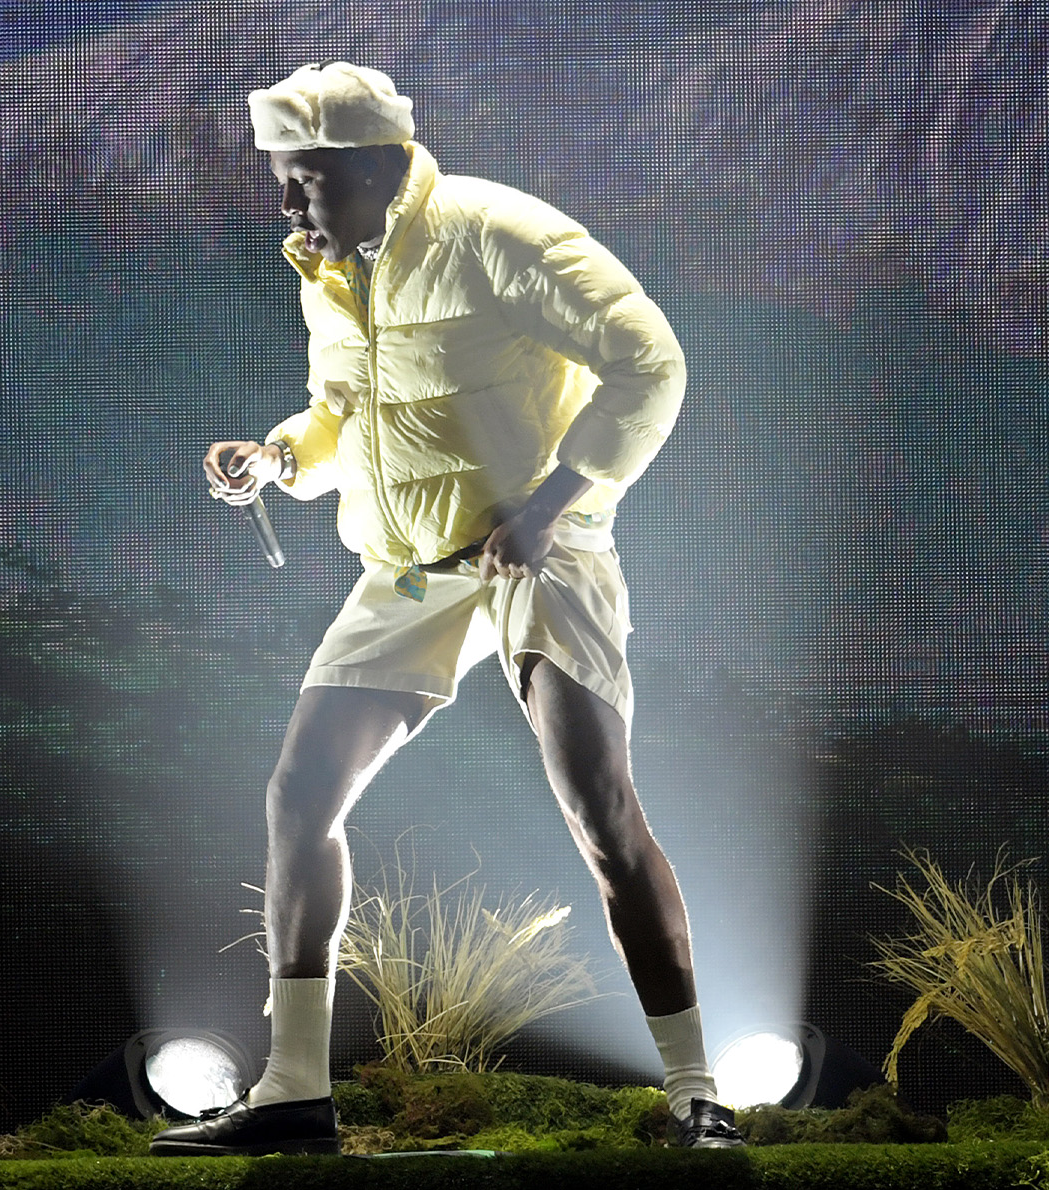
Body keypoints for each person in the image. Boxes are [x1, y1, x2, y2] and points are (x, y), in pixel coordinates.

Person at [151, 61, 742, 1156]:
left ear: (376, 165)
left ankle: (697, 1089)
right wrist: (278, 456)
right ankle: (291, 1091)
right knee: (299, 794)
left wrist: (555, 504)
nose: (288, 207)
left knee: (599, 810)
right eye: (282, 181)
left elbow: (649, 361)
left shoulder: (495, 230)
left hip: (538, 556)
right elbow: (346, 414)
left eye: (305, 182)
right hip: (408, 567)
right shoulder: (328, 268)